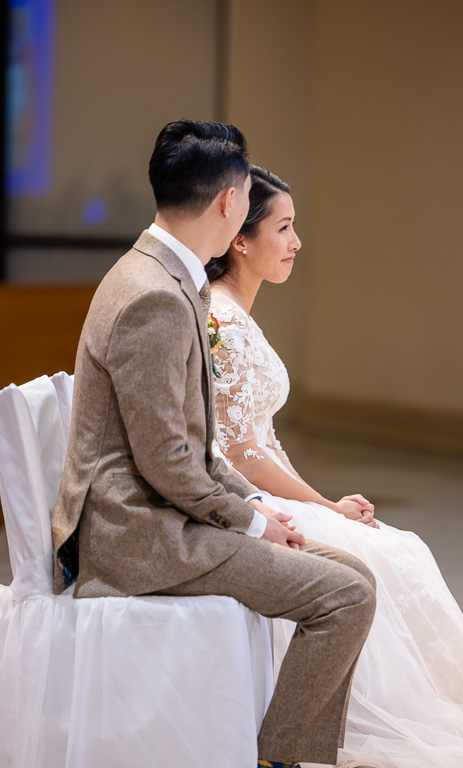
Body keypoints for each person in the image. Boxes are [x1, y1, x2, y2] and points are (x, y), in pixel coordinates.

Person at [51, 121, 377, 768]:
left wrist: (256, 510)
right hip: (135, 534)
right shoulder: (154, 297)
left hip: (159, 509)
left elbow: (195, 448)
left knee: (355, 573)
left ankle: (283, 751)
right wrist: (253, 522)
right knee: (348, 596)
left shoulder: (168, 277)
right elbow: (166, 461)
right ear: (230, 203)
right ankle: (277, 758)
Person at [207, 165, 463, 768]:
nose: (296, 243)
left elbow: (259, 443)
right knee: (391, 553)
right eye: (284, 228)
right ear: (240, 238)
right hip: (240, 499)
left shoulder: (234, 314)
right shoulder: (223, 321)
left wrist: (323, 500)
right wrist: (322, 506)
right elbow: (241, 454)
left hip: (258, 488)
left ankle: (435, 705)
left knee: (398, 548)